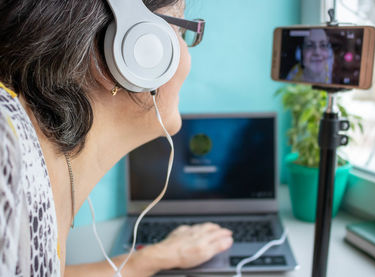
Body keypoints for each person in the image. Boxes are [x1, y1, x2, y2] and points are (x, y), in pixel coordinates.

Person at [0, 0, 234, 276]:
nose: (187, 56)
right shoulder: (7, 154)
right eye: (181, 35)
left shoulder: (30, 161)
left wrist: (150, 259)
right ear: (126, 55)